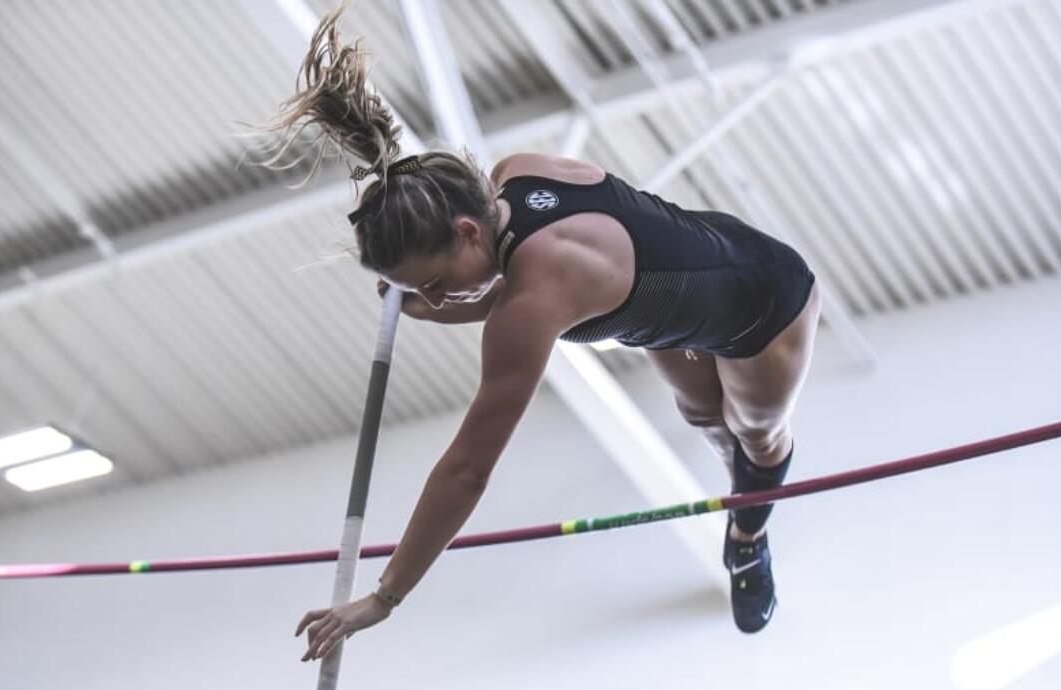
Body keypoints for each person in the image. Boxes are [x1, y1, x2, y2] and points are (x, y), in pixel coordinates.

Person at [275, 4, 821, 663]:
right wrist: (427, 305)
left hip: (765, 304)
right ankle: (740, 490)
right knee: (703, 413)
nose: (435, 297)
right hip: (682, 282)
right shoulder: (514, 175)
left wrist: (384, 597)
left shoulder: (535, 297)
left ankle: (746, 541)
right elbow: (504, 289)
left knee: (755, 432)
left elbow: (469, 469)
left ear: (468, 231)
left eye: (433, 280)